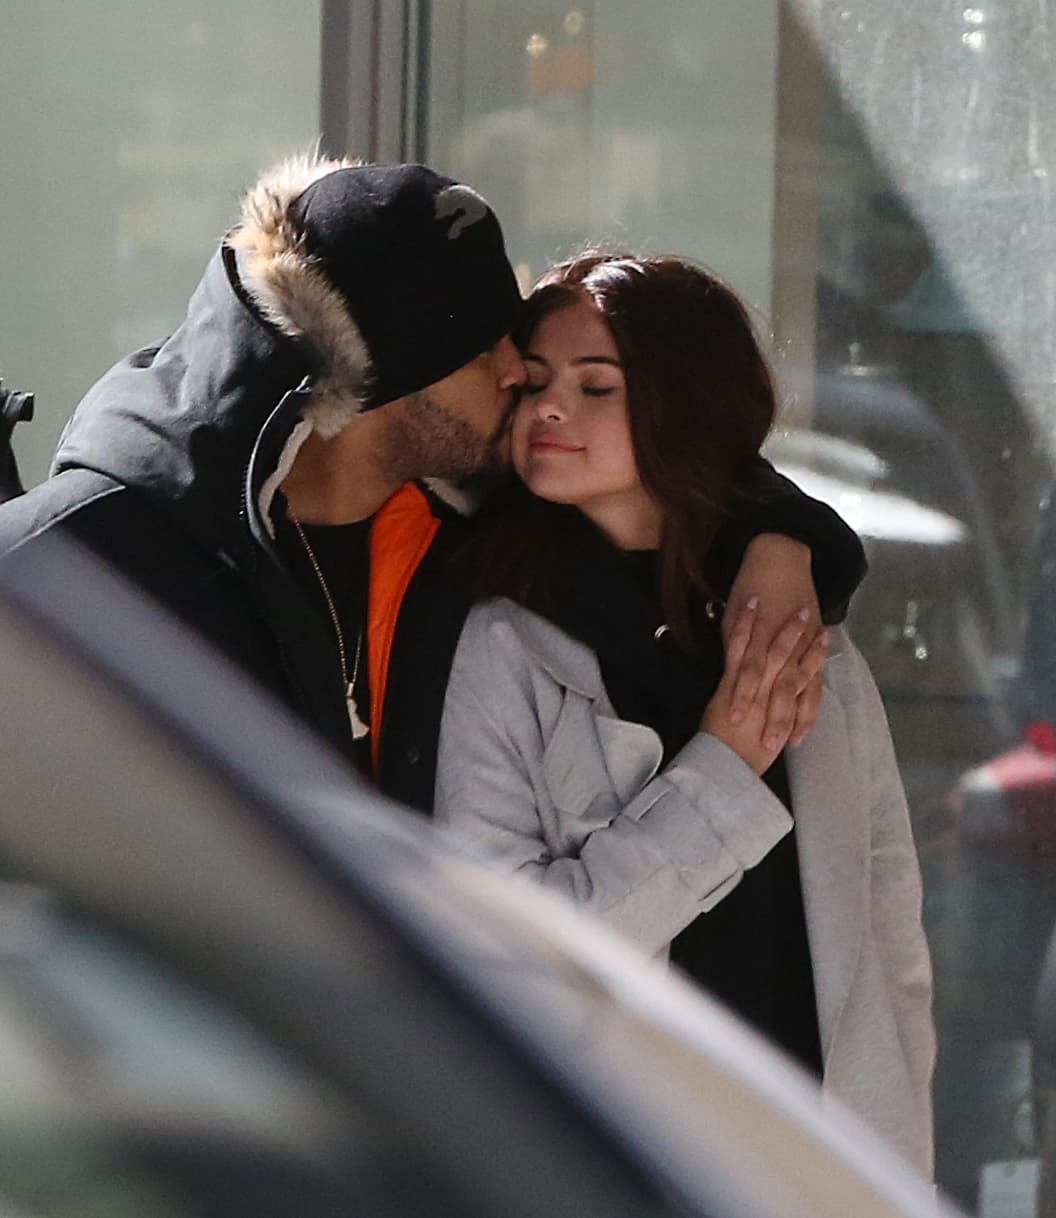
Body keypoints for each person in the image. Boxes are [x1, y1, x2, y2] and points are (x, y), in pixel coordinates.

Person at [0, 153, 864, 813]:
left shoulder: (467, 508)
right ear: (389, 371)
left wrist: (782, 540)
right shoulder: (76, 558)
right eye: (485, 346)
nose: (519, 371)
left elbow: (678, 463)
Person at [434, 252, 935, 1178]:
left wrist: (897, 1153)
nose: (551, 408)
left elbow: (886, 929)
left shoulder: (797, 629)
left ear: (687, 405)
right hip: (617, 1158)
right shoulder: (499, 639)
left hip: (808, 1162)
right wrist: (724, 765)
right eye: (536, 382)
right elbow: (514, 955)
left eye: (597, 387)